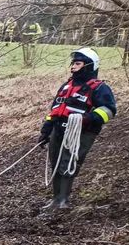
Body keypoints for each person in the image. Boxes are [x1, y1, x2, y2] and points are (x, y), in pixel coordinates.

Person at [38, 47, 118, 211]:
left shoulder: (99, 88)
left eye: (77, 63)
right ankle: (55, 200)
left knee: (68, 164)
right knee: (56, 162)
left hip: (81, 133)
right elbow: (55, 109)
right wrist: (46, 129)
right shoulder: (66, 86)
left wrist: (87, 118)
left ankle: (63, 200)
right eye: (73, 63)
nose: (73, 66)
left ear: (89, 65)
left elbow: (109, 110)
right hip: (59, 130)